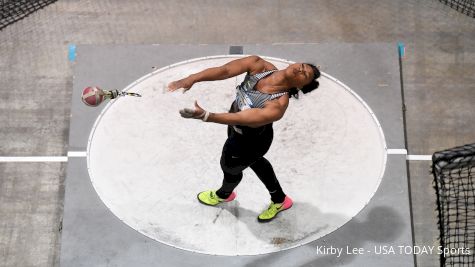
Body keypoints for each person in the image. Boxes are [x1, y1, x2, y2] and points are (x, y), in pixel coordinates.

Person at [167, 55, 320, 222]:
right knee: (255, 161)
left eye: (304, 74)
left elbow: (242, 118)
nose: (300, 69)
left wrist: (206, 116)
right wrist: (192, 78)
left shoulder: (277, 105)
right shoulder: (259, 65)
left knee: (229, 167)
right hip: (236, 129)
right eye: (302, 65)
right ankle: (280, 200)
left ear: (300, 85)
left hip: (250, 141)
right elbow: (224, 71)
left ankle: (224, 194)